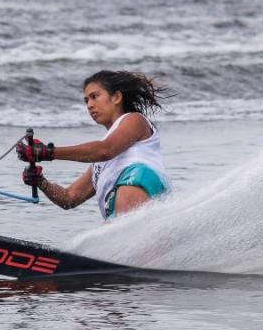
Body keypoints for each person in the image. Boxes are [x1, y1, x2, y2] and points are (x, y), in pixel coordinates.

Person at [16, 70, 171, 219]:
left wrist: (47, 152)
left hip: (139, 183)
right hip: (122, 203)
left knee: (131, 242)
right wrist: (41, 182)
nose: (89, 105)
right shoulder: (100, 164)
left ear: (116, 97)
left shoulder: (134, 120)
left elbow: (105, 150)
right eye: (86, 100)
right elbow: (69, 198)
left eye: (94, 96)